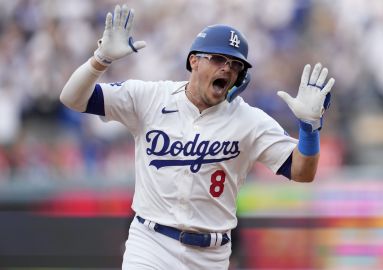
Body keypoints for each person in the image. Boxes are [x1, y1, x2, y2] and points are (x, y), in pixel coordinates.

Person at [60, 4, 334, 270]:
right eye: (218, 58)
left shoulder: (249, 120)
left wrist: (309, 130)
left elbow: (302, 171)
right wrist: (100, 59)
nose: (227, 68)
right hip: (151, 243)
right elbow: (72, 98)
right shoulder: (150, 97)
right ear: (194, 60)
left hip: (211, 255)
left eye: (235, 64)